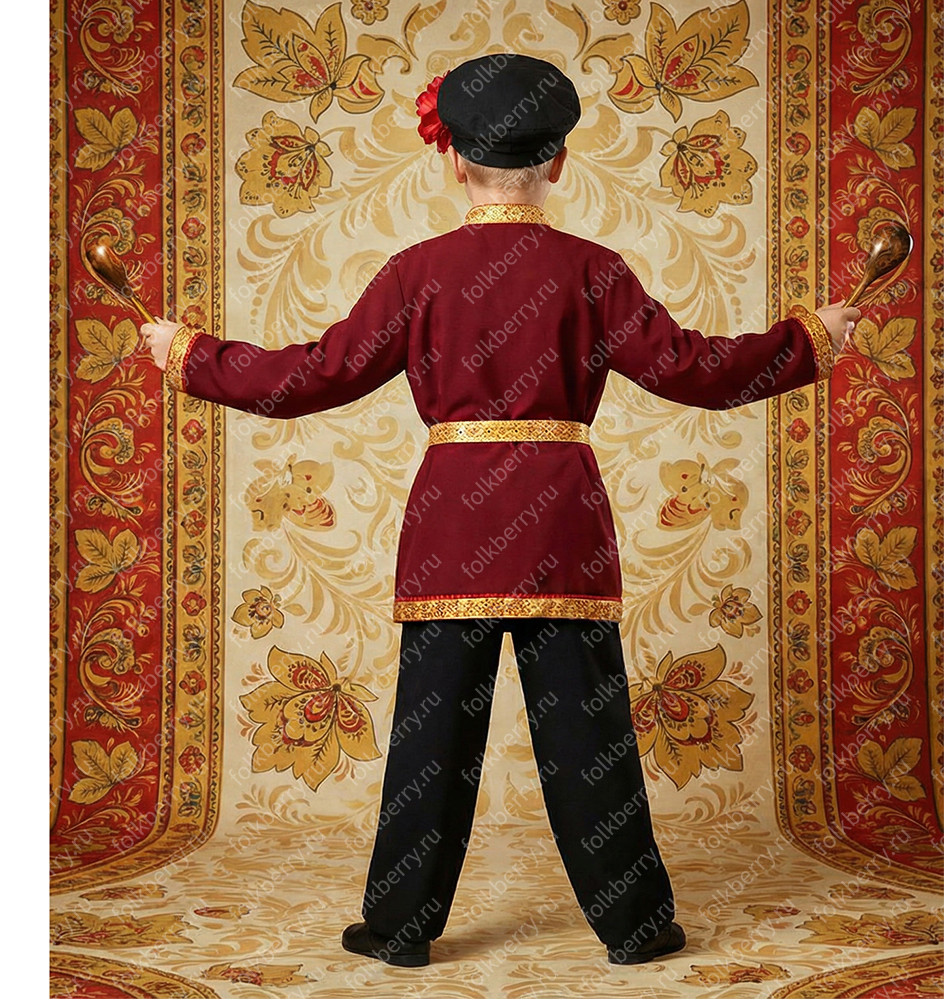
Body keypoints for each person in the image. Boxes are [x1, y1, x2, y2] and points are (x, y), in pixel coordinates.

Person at [142, 53, 859, 968]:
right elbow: (696, 370)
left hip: (452, 528)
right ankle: (636, 926)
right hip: (563, 525)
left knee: (432, 737)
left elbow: (313, 375)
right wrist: (809, 340)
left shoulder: (416, 271)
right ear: (558, 160)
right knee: (588, 732)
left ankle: (401, 929)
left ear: (451, 159)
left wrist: (190, 353)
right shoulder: (594, 270)